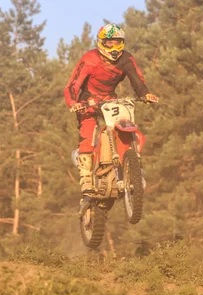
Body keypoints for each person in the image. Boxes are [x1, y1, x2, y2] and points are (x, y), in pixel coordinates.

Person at [64, 23, 158, 197]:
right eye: (109, 43)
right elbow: (73, 84)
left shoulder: (126, 59)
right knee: (88, 130)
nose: (114, 47)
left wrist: (146, 94)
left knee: (126, 127)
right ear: (101, 42)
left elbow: (137, 79)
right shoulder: (90, 59)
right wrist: (74, 103)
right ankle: (86, 177)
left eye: (117, 42)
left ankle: (134, 170)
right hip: (88, 100)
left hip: (109, 98)